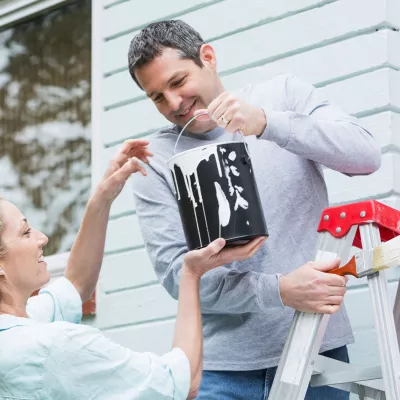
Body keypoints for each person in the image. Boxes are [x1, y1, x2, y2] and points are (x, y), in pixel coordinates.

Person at [127, 20, 382, 399]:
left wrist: (267, 123)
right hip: (220, 372)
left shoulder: (282, 96)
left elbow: (365, 155)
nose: (174, 104)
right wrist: (279, 290)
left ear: (208, 58)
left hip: (317, 352)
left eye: (178, 82)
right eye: (157, 97)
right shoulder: (155, 160)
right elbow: (175, 275)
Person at [0, 139, 256, 399]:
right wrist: (190, 273)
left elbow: (76, 285)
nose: (41, 238)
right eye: (25, 232)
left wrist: (102, 198)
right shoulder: (53, 347)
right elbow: (182, 381)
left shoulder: (18, 327)